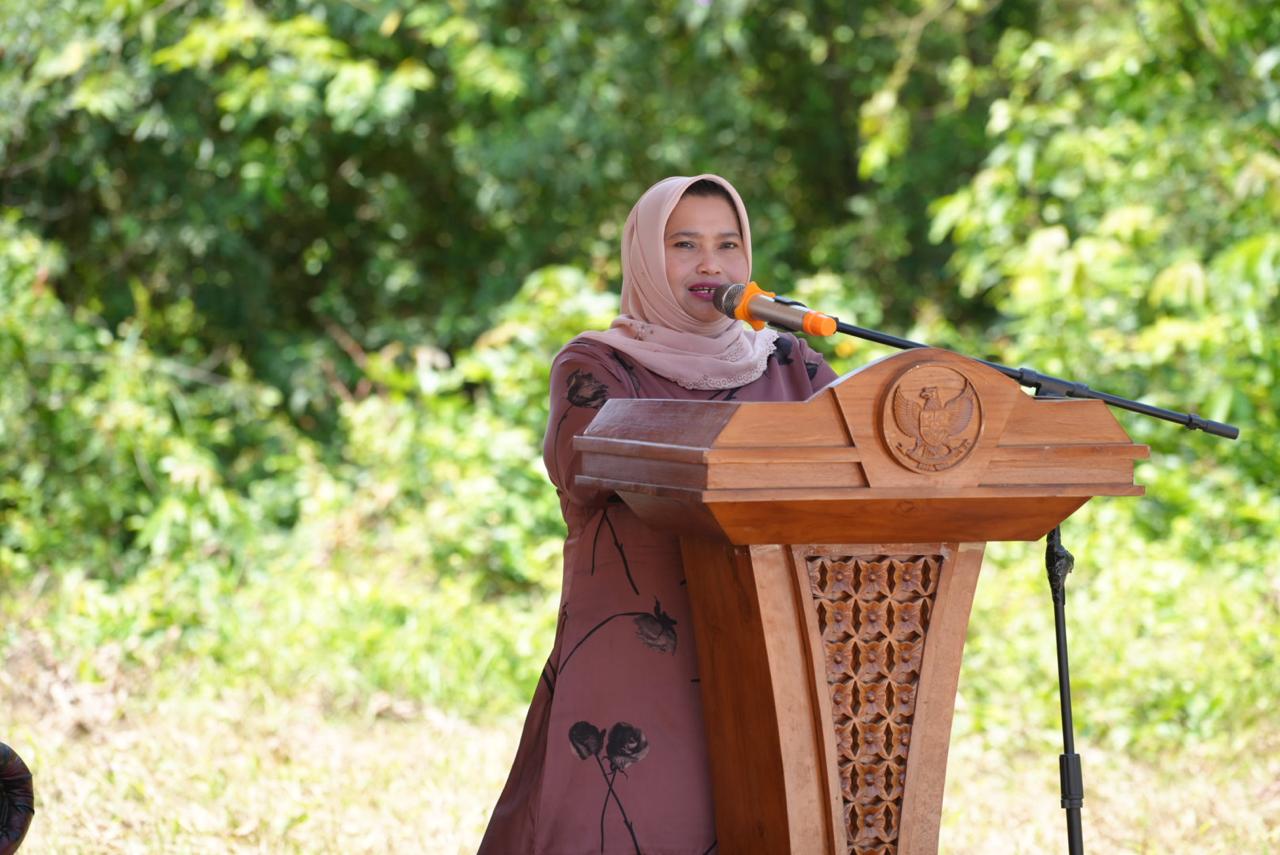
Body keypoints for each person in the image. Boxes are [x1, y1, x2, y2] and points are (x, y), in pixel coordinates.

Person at [479, 174, 838, 854]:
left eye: (729, 245)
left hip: (771, 647)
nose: (712, 264)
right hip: (638, 653)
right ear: (645, 256)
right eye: (685, 244)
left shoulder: (790, 358)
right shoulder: (597, 364)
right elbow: (589, 464)